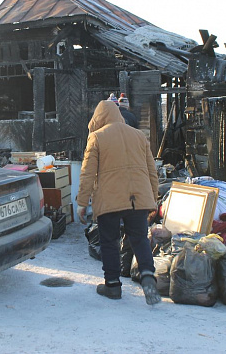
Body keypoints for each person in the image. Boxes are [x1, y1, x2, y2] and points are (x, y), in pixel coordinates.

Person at [76, 100, 161, 305]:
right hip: (138, 198)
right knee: (139, 238)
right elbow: (152, 172)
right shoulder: (139, 135)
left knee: (109, 241)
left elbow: (88, 173)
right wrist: (153, 198)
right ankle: (148, 277)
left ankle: (112, 285)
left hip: (110, 198)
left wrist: (81, 202)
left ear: (99, 118)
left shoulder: (97, 137)